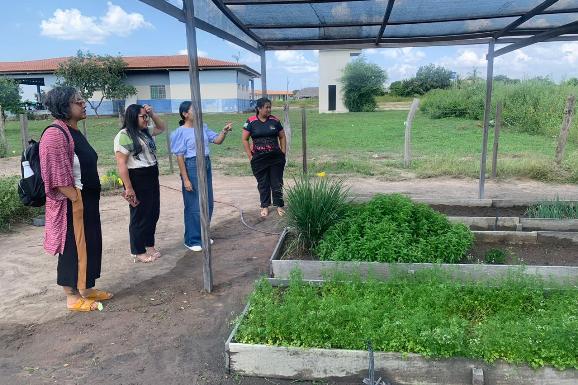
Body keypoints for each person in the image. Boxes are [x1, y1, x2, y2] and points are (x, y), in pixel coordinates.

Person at [40, 86, 111, 312]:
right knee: (73, 246)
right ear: (63, 106)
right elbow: (55, 177)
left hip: (86, 199)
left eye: (82, 100)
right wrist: (75, 199)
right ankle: (71, 296)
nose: (83, 104)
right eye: (77, 101)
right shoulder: (54, 134)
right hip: (71, 203)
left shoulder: (74, 131)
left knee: (90, 244)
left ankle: (86, 287)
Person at [170, 101, 232, 251]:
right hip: (191, 166)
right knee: (194, 205)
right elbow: (179, 156)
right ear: (185, 114)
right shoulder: (179, 132)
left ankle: (203, 234)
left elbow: (217, 140)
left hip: (206, 164)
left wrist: (224, 131)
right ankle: (192, 240)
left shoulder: (202, 127)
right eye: (194, 110)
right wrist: (185, 179)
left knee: (208, 202)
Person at [114, 104, 166, 263]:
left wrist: (152, 112)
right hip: (137, 178)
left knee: (153, 212)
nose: (146, 119)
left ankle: (149, 244)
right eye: (143, 116)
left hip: (151, 174)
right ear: (132, 117)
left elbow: (161, 127)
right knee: (139, 216)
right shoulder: (124, 135)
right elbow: (121, 164)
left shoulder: (145, 132)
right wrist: (128, 188)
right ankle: (138, 251)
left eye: (146, 116)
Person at [242, 97, 287, 217]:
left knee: (277, 182)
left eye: (270, 107)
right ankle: (264, 205)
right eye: (266, 107)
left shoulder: (275, 121)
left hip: (275, 158)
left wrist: (283, 152)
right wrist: (250, 156)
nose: (269, 109)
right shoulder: (251, 122)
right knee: (263, 183)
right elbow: (245, 139)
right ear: (259, 108)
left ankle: (279, 205)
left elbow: (282, 136)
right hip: (259, 159)